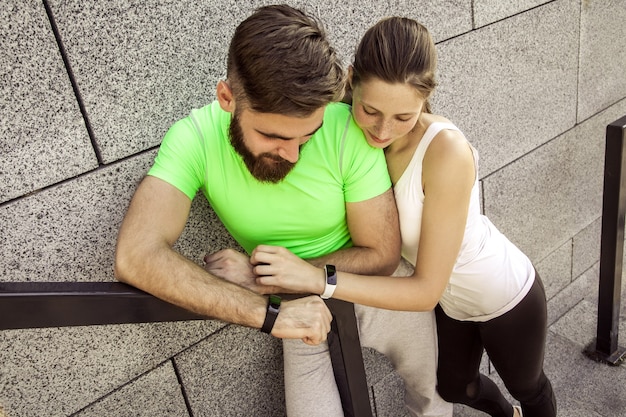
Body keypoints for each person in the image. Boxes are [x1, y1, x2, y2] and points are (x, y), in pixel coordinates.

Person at [115, 5, 451, 417]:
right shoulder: (194, 139)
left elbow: (381, 255)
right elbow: (136, 255)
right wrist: (270, 310)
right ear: (227, 98)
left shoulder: (345, 127)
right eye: (273, 136)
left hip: (376, 294)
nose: (291, 154)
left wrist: (265, 276)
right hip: (295, 306)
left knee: (433, 398)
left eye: (306, 137)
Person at [251, 17, 557, 417]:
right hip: (452, 306)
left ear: (425, 99)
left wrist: (317, 279)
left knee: (528, 387)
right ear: (351, 81)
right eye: (370, 109)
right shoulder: (339, 125)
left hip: (504, 296)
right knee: (455, 387)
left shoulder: (446, 152)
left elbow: (425, 289)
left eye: (403, 117)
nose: (381, 130)